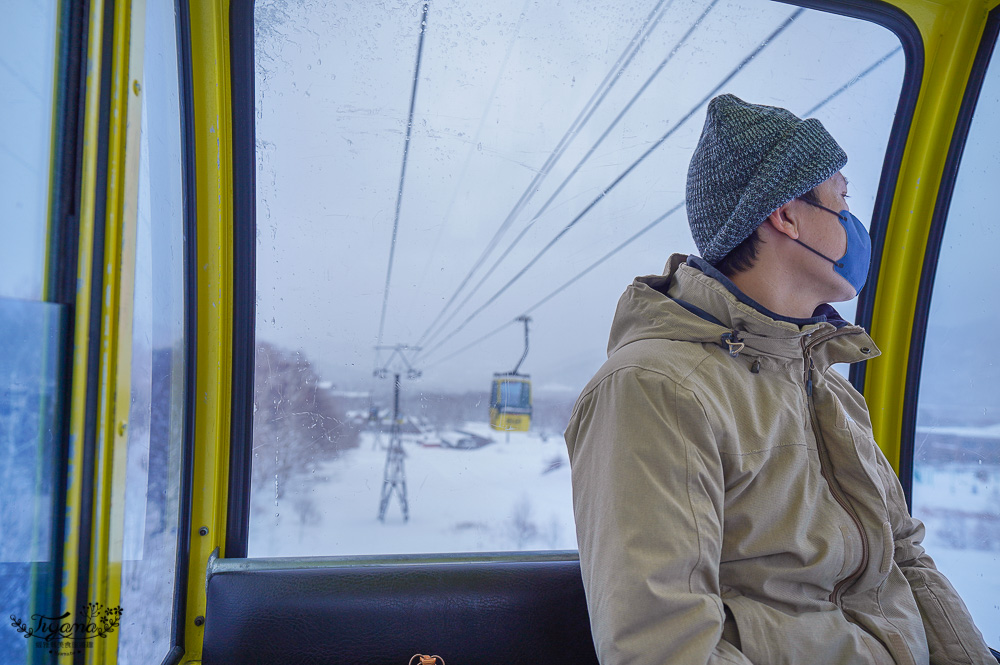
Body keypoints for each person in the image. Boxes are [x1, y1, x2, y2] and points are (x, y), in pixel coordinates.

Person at [564, 94, 994, 665]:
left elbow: (905, 561)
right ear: (787, 215)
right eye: (841, 198)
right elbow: (663, 649)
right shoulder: (656, 389)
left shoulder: (826, 386)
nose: (854, 224)